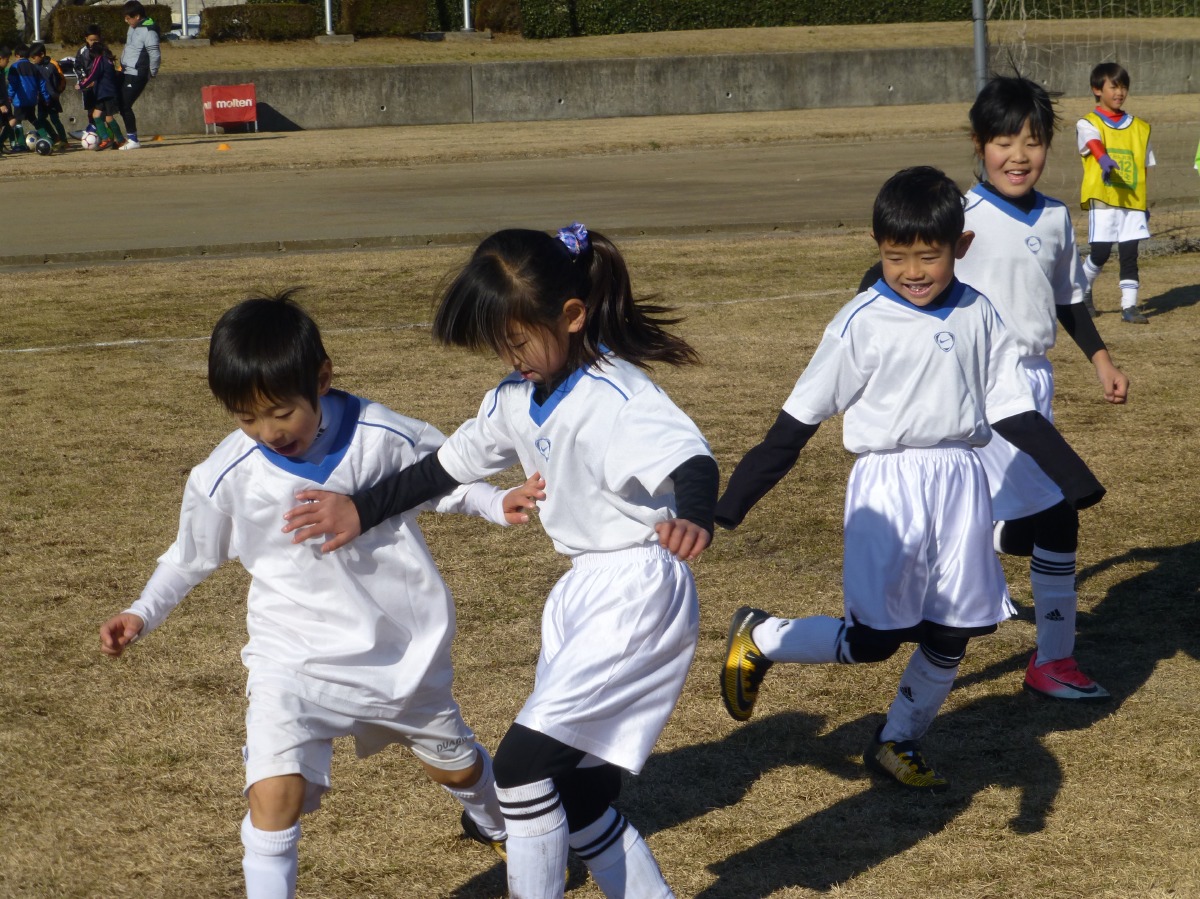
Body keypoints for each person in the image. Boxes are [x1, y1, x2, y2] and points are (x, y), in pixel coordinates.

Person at [281, 223, 718, 899]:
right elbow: (441, 469)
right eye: (499, 344)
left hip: (635, 588)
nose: (510, 357)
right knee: (577, 797)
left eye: (517, 340)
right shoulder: (514, 399)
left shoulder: (618, 394)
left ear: (572, 316)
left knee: (519, 769)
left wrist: (694, 513)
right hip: (582, 593)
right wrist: (359, 510)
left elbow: (691, 459)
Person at [99, 291, 545, 899]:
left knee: (457, 767)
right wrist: (140, 611)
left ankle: (499, 825)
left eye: (280, 412)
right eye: (246, 418)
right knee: (273, 792)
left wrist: (495, 499)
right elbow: (188, 556)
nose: (267, 432)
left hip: (398, 655)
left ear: (322, 378)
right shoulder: (224, 475)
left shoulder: (380, 434)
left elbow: (441, 478)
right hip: (292, 656)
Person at [716, 167, 1105, 792]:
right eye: (896, 257)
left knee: (955, 628)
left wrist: (1074, 480)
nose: (913, 272)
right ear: (877, 247)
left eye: (929, 256)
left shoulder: (980, 312)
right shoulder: (860, 322)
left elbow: (1011, 407)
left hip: (961, 483)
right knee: (876, 639)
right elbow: (797, 422)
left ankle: (898, 739)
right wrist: (730, 505)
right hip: (890, 484)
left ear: (962, 246)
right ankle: (764, 636)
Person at [956, 74, 1129, 701]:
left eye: (1032, 142)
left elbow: (1067, 298)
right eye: (1004, 142)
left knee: (1023, 520)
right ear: (979, 145)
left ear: (1050, 147)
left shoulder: (1055, 216)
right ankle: (1053, 660)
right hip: (982, 388)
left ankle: (993, 537)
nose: (1018, 156)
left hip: (1033, 383)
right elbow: (898, 278)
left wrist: (1101, 360)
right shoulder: (959, 219)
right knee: (1058, 514)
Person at [1077, 62, 1155, 324]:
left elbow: (1144, 167)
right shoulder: (1087, 122)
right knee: (1100, 253)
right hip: (1104, 201)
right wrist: (1103, 159)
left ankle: (1129, 307)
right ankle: (1083, 290)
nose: (1120, 92)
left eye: (1123, 87)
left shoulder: (1141, 128)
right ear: (1097, 89)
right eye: (1114, 86)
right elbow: (1092, 142)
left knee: (1130, 254)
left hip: (1132, 203)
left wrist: (1143, 203)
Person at [117, 0, 160, 150]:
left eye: (128, 18)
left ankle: (133, 140)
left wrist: (152, 71)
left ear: (137, 16)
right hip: (125, 71)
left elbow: (154, 53)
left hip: (137, 73)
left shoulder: (149, 31)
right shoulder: (132, 28)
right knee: (115, 101)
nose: (126, 21)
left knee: (125, 105)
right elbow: (130, 48)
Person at [75, 39, 123, 149]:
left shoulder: (100, 59)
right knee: (96, 115)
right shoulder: (107, 60)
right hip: (103, 93)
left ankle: (120, 139)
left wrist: (82, 85)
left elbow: (93, 75)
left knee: (109, 118)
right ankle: (105, 138)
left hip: (107, 94)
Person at [6, 43, 52, 148]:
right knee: (33, 119)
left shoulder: (14, 67)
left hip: (20, 100)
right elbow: (42, 84)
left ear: (17, 55)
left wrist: (9, 96)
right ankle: (47, 139)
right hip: (32, 99)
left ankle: (21, 144)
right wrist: (46, 98)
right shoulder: (34, 67)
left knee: (17, 121)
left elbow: (13, 84)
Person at [29, 42, 68, 149]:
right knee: (41, 119)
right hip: (41, 98)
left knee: (55, 119)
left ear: (42, 54)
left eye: (34, 57)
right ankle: (55, 137)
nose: (33, 60)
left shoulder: (52, 65)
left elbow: (61, 80)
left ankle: (64, 140)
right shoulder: (35, 67)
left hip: (52, 98)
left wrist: (57, 93)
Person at [74, 24, 103, 133]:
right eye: (91, 40)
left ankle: (103, 132)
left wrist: (96, 80)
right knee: (90, 110)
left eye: (96, 40)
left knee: (101, 110)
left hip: (100, 85)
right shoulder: (82, 51)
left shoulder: (103, 51)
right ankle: (93, 130)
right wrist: (85, 79)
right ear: (86, 39)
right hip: (87, 86)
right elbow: (78, 66)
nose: (93, 42)